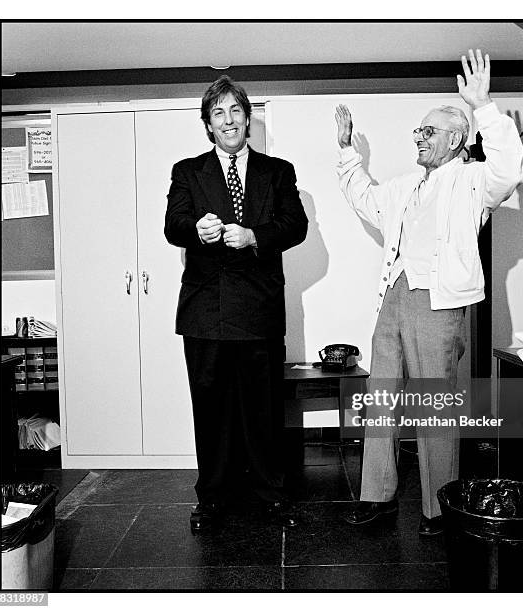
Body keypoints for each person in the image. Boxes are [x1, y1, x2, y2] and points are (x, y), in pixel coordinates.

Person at [335, 50, 523, 535]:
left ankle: (439, 507)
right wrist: (346, 153)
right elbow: (364, 197)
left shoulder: (472, 180)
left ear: (457, 139)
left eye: (429, 131)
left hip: (437, 303)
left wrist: (483, 106)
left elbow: (510, 170)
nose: (419, 137)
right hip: (394, 296)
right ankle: (375, 494)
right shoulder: (403, 186)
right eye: (418, 131)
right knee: (380, 398)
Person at [165, 75, 308, 532]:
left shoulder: (277, 171)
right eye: (218, 113)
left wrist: (254, 236)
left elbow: (295, 225)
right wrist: (196, 231)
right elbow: (174, 225)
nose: (228, 121)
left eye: (235, 111)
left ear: (247, 119)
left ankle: (271, 493)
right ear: (208, 124)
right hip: (206, 312)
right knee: (211, 411)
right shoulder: (188, 171)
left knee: (264, 410)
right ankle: (211, 497)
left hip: (260, 311)